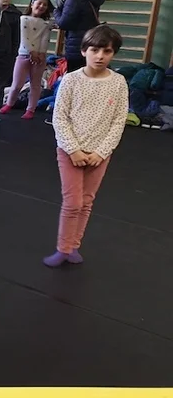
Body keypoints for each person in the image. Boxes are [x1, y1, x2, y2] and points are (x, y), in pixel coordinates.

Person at [45, 25, 127, 268]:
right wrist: (73, 150)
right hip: (70, 151)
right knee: (73, 202)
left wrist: (101, 152)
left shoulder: (118, 82)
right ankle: (63, 248)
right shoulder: (71, 80)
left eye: (107, 51)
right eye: (95, 50)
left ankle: (73, 246)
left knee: (87, 201)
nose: (100, 56)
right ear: (84, 51)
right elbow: (60, 118)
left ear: (113, 53)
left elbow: (118, 121)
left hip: (99, 155)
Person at [0, 0, 54, 120]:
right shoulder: (23, 19)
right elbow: (25, 37)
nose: (41, 6)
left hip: (39, 57)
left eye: (45, 5)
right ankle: (9, 103)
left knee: (35, 84)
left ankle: (31, 109)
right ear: (32, 4)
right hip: (24, 55)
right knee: (17, 84)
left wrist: (41, 54)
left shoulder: (45, 24)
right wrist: (32, 52)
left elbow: (44, 40)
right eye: (39, 3)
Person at [53, 0, 105, 72]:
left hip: (76, 46)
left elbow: (64, 23)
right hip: (89, 41)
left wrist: (56, 11)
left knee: (76, 77)